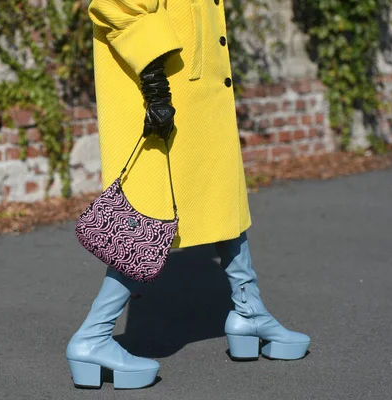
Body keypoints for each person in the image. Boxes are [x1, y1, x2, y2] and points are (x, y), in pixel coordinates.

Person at [66, 0, 310, 389]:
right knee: (147, 217)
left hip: (197, 95)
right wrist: (155, 87)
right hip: (165, 96)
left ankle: (250, 310)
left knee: (220, 195)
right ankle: (93, 335)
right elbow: (119, 5)